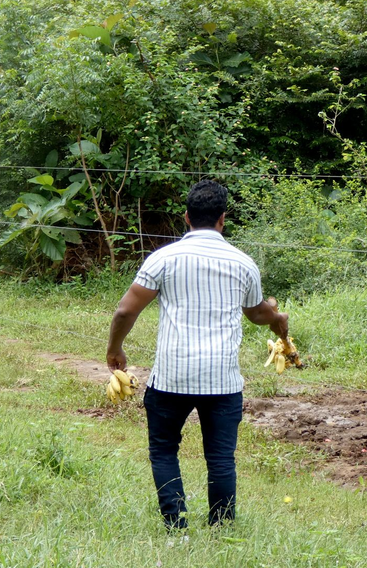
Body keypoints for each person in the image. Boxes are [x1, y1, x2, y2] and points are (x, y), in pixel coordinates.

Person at [106, 179, 287, 529]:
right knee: (220, 458)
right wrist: (277, 318)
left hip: (172, 375)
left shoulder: (163, 259)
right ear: (223, 219)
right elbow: (258, 314)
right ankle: (221, 527)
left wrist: (115, 348)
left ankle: (176, 524)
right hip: (222, 379)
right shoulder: (242, 263)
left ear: (186, 218)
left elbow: (125, 312)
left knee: (163, 450)